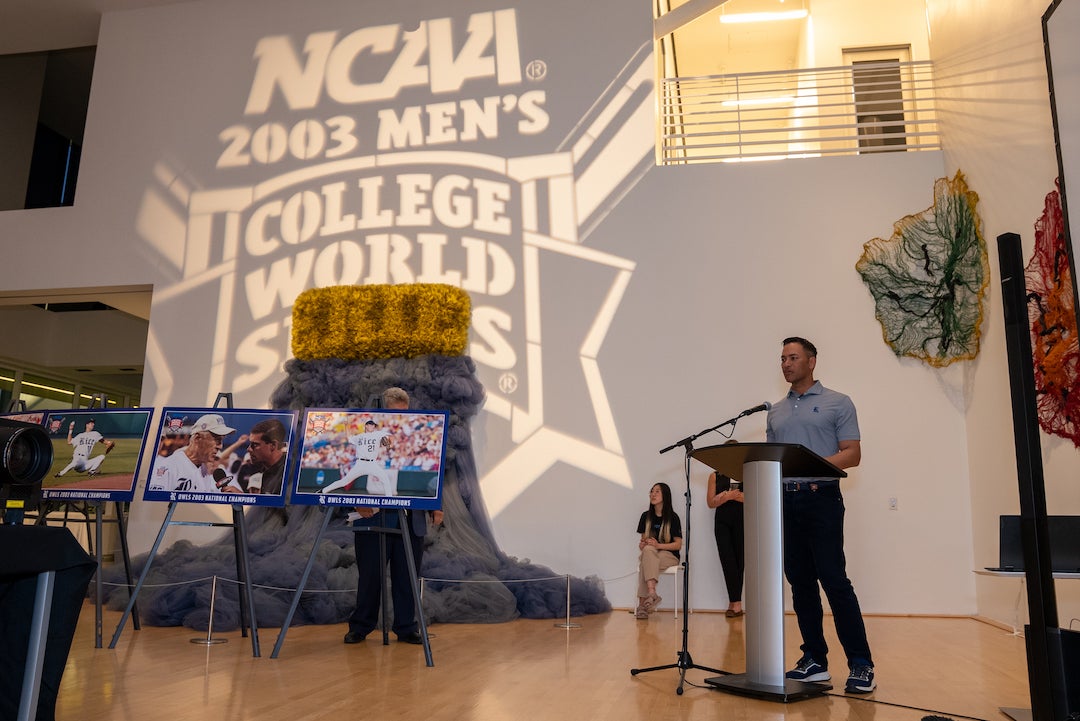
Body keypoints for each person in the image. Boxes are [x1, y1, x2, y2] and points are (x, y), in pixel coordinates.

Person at [766, 336, 875, 694]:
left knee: (835, 582)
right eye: (782, 358)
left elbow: (852, 453)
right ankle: (814, 659)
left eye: (793, 357)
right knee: (800, 584)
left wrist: (810, 464)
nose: (785, 363)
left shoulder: (838, 403)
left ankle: (861, 665)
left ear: (812, 361)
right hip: (786, 502)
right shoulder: (776, 411)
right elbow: (771, 461)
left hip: (822, 499)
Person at [345, 387, 437, 646]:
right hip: (374, 517)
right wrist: (353, 503)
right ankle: (361, 626)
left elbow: (430, 476)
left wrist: (435, 505)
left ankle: (406, 627)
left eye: (404, 414)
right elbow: (345, 477)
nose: (400, 419)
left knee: (407, 576)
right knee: (370, 575)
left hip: (410, 518)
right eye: (395, 413)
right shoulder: (364, 439)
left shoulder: (415, 440)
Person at [148, 413, 237, 493]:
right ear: (197, 439)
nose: (220, 446)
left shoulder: (204, 469)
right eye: (217, 440)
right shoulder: (169, 467)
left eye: (221, 440)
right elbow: (154, 506)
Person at [634, 482, 683, 620]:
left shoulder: (673, 517)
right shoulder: (645, 516)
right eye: (651, 491)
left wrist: (658, 546)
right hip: (650, 554)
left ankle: (643, 605)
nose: (653, 494)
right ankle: (652, 593)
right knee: (648, 553)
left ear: (665, 496)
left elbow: (678, 545)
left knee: (646, 563)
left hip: (669, 555)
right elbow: (642, 543)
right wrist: (643, 545)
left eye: (657, 492)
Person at [706, 460, 744, 618]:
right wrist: (730, 496)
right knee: (727, 561)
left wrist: (727, 496)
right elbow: (710, 502)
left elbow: (753, 497)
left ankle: (735, 604)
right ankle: (735, 603)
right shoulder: (714, 476)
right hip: (722, 524)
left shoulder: (745, 474)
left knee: (739, 561)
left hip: (742, 521)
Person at [319, 419, 395, 495]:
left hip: (372, 464)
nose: (372, 426)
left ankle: (389, 498)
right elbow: (349, 438)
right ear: (366, 426)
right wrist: (346, 426)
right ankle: (323, 491)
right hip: (360, 464)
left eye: (373, 425)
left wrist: (390, 443)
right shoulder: (359, 436)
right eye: (371, 424)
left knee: (385, 479)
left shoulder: (378, 434)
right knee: (344, 481)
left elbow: (390, 436)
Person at [234, 418, 288, 494]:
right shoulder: (265, 470)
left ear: (273, 445)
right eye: (250, 444)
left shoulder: (289, 473)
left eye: (254, 445)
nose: (248, 449)